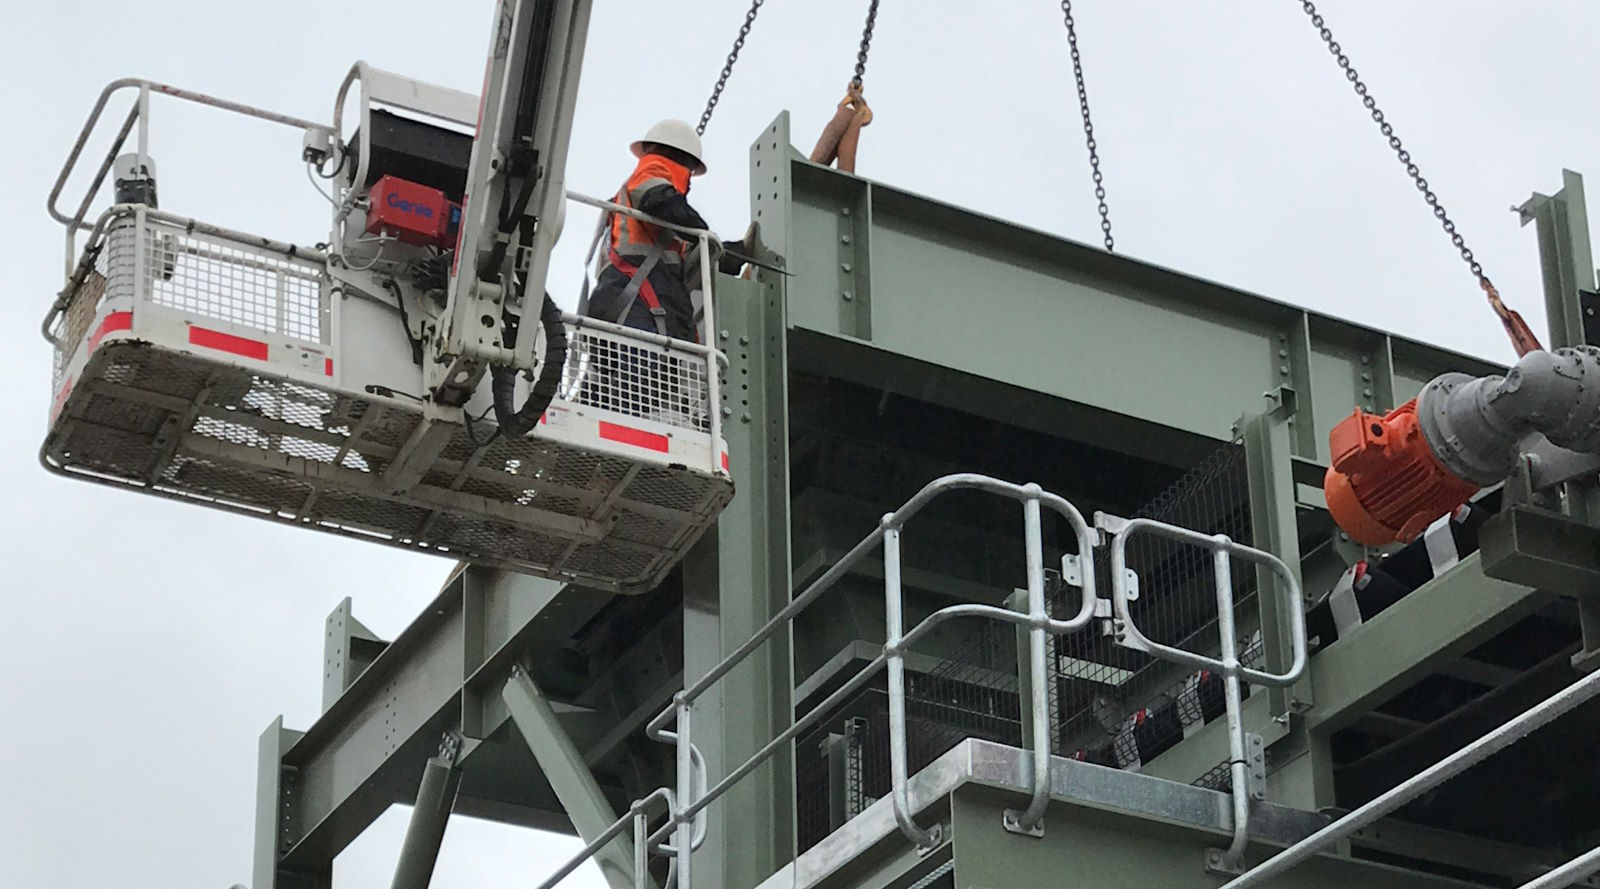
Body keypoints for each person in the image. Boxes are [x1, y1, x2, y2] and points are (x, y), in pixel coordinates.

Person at [584, 119, 752, 343]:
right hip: (637, 315)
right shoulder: (650, 173)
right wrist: (701, 230)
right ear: (682, 162)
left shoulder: (660, 231)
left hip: (637, 317)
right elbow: (661, 202)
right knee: (641, 374)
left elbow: (699, 258)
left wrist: (740, 251)